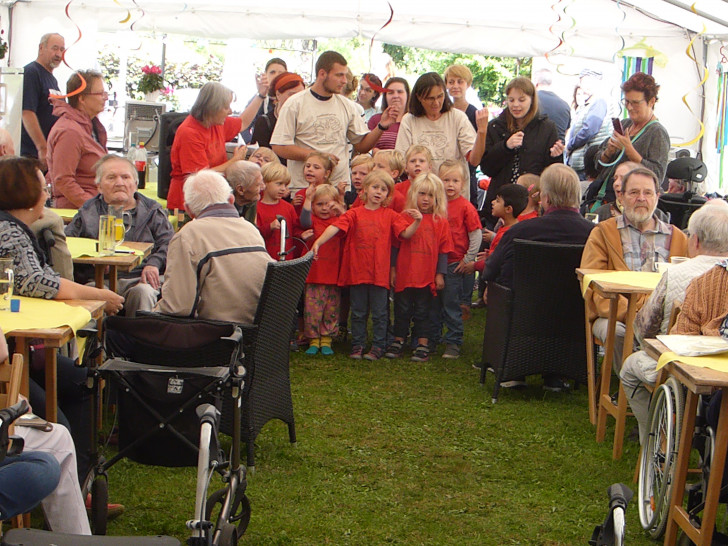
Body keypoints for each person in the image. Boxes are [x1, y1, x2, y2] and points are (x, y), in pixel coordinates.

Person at [0, 156, 124, 476]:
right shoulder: (8, 231)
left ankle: (80, 482)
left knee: (82, 380)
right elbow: (37, 283)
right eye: (45, 187)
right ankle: (61, 485)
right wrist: (98, 295)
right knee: (58, 426)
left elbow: (41, 279)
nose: (49, 193)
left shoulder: (16, 228)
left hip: (20, 347)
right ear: (30, 193)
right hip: (10, 354)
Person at [620, 199, 728, 443]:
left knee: (629, 367)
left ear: (696, 240)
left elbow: (644, 330)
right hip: (717, 377)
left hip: (683, 370)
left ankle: (657, 440)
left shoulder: (677, 274)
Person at [483, 164, 595, 390]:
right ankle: (557, 374)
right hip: (573, 317)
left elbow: (488, 272)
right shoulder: (593, 234)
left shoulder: (521, 230)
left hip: (522, 315)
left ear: (544, 196)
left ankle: (513, 370)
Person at [581, 166, 688, 371]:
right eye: (634, 192)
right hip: (616, 315)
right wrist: (635, 315)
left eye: (647, 193)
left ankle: (661, 390)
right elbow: (592, 287)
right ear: (621, 196)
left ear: (657, 196)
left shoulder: (678, 239)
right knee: (620, 332)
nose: (641, 198)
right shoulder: (603, 234)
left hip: (665, 319)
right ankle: (630, 391)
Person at [311, 170, 422, 361]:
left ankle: (378, 346)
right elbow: (335, 227)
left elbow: (405, 234)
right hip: (357, 272)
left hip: (379, 274)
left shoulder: (390, 215)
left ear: (388, 195)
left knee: (380, 313)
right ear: (365, 190)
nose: (378, 192)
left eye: (384, 189)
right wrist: (319, 242)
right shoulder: (354, 214)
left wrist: (417, 221)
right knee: (359, 311)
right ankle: (358, 344)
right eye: (375, 187)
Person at [155, 170, 273, 323]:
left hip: (214, 333)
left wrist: (149, 310)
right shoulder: (251, 230)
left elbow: (178, 307)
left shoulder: (188, 235)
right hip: (258, 332)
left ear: (189, 210)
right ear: (231, 200)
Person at [271, 51, 398, 191]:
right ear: (322, 74)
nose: (344, 80)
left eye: (345, 75)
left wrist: (381, 126)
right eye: (339, 75)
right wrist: (316, 156)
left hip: (339, 189)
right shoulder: (295, 103)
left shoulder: (347, 105)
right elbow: (279, 146)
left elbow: (361, 146)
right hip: (304, 189)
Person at [65, 155, 174, 316]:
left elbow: (169, 244)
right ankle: (94, 339)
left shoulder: (152, 211)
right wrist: (93, 260)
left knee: (143, 293)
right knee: (90, 295)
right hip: (99, 280)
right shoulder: (88, 212)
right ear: (99, 186)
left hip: (138, 278)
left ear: (136, 184)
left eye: (125, 177)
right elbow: (67, 245)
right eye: (111, 177)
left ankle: (140, 339)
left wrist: (154, 263)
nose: (119, 183)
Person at [168, 80, 267, 213]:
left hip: (212, 197)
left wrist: (260, 95)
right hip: (189, 204)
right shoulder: (189, 132)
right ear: (213, 108)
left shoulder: (216, 122)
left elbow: (242, 122)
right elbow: (200, 177)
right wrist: (235, 161)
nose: (230, 111)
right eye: (226, 107)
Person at [480, 76, 564, 230]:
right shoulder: (496, 126)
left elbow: (552, 173)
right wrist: (505, 147)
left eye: (521, 100)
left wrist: (555, 156)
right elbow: (487, 168)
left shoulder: (546, 127)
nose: (516, 105)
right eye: (511, 100)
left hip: (531, 204)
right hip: (500, 203)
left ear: (532, 100)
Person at [386, 173, 452, 363]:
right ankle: (398, 340)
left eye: (430, 195)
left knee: (425, 311)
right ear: (414, 194)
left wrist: (440, 274)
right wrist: (392, 270)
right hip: (405, 275)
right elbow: (395, 246)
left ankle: (422, 343)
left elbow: (443, 251)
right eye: (422, 194)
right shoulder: (404, 217)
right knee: (401, 309)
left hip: (426, 277)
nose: (425, 199)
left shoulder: (441, 222)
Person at [395, 72, 487, 201]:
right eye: (430, 98)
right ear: (419, 97)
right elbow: (401, 160)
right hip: (422, 197)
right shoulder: (409, 120)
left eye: (440, 96)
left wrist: (482, 132)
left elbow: (474, 159)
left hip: (453, 197)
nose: (436, 103)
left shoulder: (457, 117)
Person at [584, 72, 670, 211]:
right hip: (604, 197)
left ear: (651, 101)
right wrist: (608, 151)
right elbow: (597, 164)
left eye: (635, 103)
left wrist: (630, 151)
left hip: (629, 207)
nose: (629, 107)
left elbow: (657, 176)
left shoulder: (657, 133)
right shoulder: (625, 124)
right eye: (627, 102)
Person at [435, 160, 482, 359]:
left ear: (463, 183)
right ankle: (433, 336)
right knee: (434, 303)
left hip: (454, 262)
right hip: (435, 261)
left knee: (451, 303)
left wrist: (468, 258)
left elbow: (475, 234)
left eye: (455, 180)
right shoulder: (436, 204)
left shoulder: (466, 207)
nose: (450, 185)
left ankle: (454, 341)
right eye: (446, 180)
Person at [46, 70, 108, 208]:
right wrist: (92, 207)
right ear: (82, 99)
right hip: (76, 212)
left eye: (105, 93)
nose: (105, 98)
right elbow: (63, 180)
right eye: (100, 93)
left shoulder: (90, 126)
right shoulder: (69, 131)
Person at [300, 184, 345, 355]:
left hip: (333, 274)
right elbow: (304, 220)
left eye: (328, 204)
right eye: (319, 204)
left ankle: (326, 339)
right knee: (312, 308)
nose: (325, 208)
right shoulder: (313, 222)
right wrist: (308, 198)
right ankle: (313, 338)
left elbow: (348, 219)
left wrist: (340, 203)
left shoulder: (338, 222)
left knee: (331, 308)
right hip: (314, 274)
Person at [21, 33, 65, 169]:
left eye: (62, 50)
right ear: (41, 48)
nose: (58, 54)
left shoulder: (52, 79)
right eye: (55, 48)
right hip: (32, 155)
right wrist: (42, 148)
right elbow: (27, 112)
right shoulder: (32, 73)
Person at [566, 69, 613, 180]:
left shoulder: (599, 101)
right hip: (582, 161)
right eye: (582, 82)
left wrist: (570, 145)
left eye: (587, 82)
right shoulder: (588, 103)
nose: (584, 86)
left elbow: (589, 130)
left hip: (587, 164)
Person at [251, 72, 305, 153]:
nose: (297, 100)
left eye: (301, 95)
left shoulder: (306, 120)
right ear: (278, 94)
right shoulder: (264, 122)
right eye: (292, 95)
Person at [255, 162, 300, 260]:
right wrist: (269, 227)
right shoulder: (256, 208)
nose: (283, 188)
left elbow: (295, 230)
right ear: (264, 183)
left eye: (285, 185)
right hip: (265, 259)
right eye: (279, 184)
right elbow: (254, 235)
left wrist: (302, 234)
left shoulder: (288, 207)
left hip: (287, 259)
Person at [241, 57, 288, 143]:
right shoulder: (258, 100)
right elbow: (243, 126)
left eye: (280, 73)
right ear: (265, 75)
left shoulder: (291, 100)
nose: (276, 75)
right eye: (272, 72)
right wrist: (251, 143)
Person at [368, 77, 410, 152]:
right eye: (391, 93)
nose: (395, 96)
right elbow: (367, 147)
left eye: (400, 92)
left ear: (407, 95)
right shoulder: (375, 120)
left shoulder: (413, 121)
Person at [534, 68, 571, 143]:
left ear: (536, 83)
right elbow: (565, 131)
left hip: (534, 149)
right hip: (557, 150)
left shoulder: (530, 102)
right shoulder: (565, 106)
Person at [225, 160, 264, 224]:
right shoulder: (222, 208)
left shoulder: (251, 201)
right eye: (258, 185)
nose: (263, 187)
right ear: (240, 190)